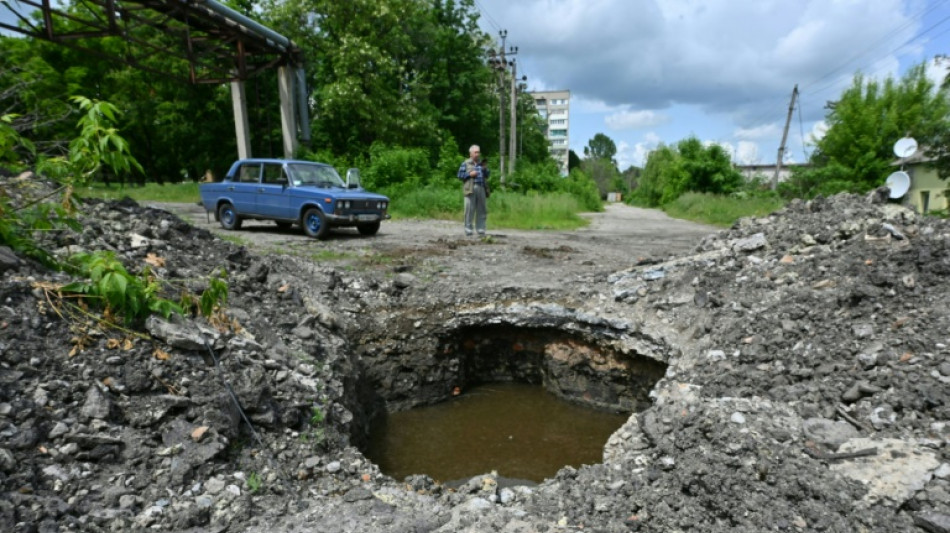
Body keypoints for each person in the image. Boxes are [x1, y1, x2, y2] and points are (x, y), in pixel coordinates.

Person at [457, 144, 490, 237]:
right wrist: (469, 174)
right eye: (475, 152)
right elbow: (459, 175)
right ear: (470, 153)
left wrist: (485, 169)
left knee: (482, 210)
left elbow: (487, 175)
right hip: (470, 188)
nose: (477, 154)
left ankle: (481, 229)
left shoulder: (482, 163)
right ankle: (468, 230)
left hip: (481, 188)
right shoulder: (466, 163)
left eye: (478, 152)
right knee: (469, 210)